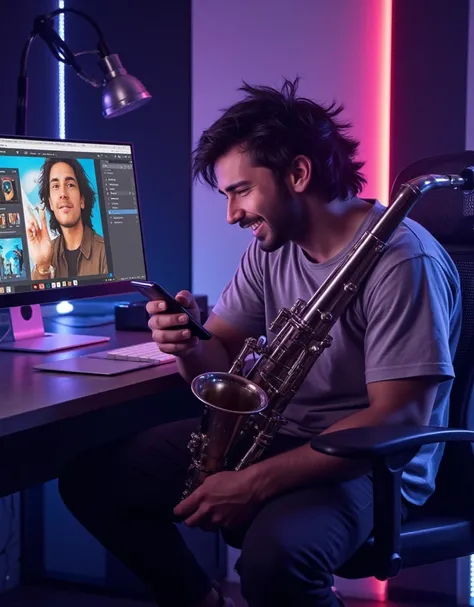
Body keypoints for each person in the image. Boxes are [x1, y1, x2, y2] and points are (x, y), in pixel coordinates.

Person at [57, 78, 462, 607]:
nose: (231, 215)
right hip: (280, 433)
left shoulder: (404, 261)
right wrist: (186, 341)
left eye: (240, 191)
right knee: (93, 482)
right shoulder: (274, 246)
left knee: (277, 560)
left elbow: (397, 418)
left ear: (298, 173)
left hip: (371, 461)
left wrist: (255, 483)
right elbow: (220, 359)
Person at [26, 157, 108, 279]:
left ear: (82, 200)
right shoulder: (48, 253)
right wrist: (43, 267)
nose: (63, 194)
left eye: (70, 185)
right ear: (51, 203)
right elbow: (37, 298)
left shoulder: (105, 252)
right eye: (55, 186)